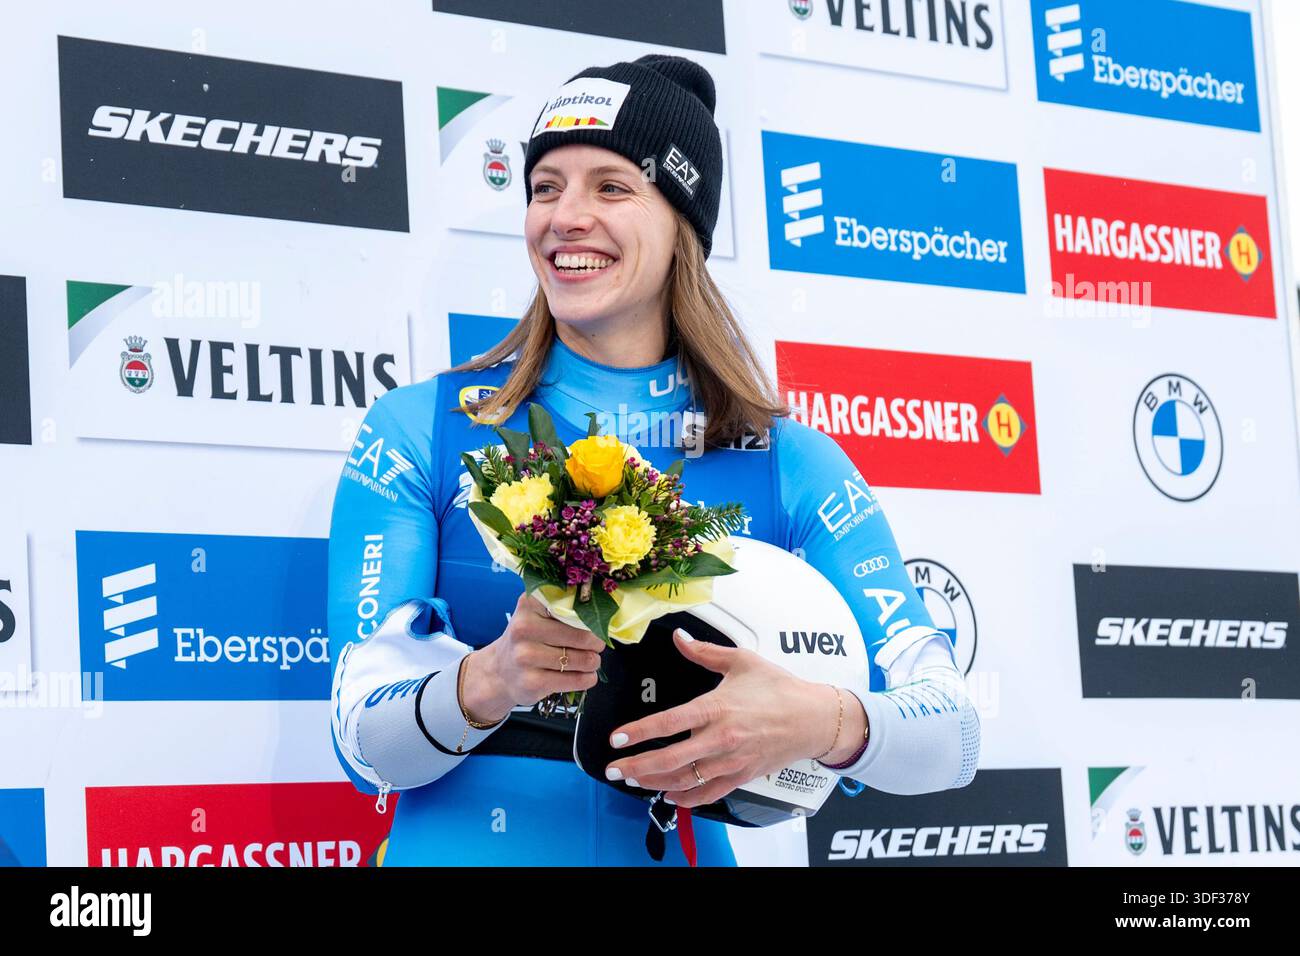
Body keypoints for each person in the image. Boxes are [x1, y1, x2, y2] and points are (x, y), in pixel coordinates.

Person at [326, 54, 980, 866]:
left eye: (610, 186)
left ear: (682, 222)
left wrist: (818, 721)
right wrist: (487, 683)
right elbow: (360, 743)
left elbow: (952, 733)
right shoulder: (421, 429)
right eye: (545, 187)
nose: (566, 216)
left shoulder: (786, 462)